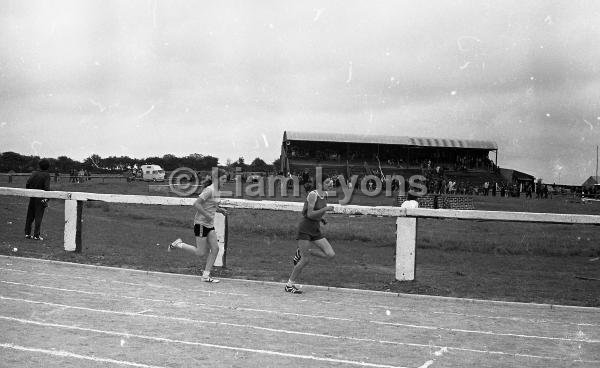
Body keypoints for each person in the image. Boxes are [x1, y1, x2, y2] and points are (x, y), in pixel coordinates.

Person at [168, 169, 228, 283]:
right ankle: (178, 244)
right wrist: (207, 216)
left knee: (215, 249)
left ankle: (206, 276)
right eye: (223, 178)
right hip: (200, 224)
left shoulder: (217, 191)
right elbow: (196, 204)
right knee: (200, 253)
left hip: (209, 225)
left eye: (226, 179)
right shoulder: (209, 190)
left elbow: (212, 206)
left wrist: (220, 210)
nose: (226, 181)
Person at [285, 177, 336, 294]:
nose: (330, 184)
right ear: (320, 183)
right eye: (327, 182)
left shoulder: (325, 195)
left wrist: (322, 218)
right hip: (305, 228)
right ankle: (289, 285)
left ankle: (304, 251)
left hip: (315, 229)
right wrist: (325, 209)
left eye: (331, 182)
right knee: (305, 260)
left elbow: (317, 212)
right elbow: (310, 214)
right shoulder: (313, 194)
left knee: (330, 254)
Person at [24, 159, 51, 241]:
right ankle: (36, 235)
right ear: (47, 167)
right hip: (40, 198)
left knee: (30, 216)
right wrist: (46, 199)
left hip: (32, 196)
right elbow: (47, 188)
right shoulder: (46, 175)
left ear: (39, 165)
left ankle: (27, 234)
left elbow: (27, 184)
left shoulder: (33, 173)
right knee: (38, 217)